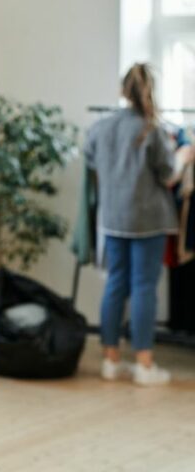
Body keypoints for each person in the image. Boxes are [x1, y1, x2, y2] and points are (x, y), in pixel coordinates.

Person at [84, 63, 189, 386]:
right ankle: (144, 364)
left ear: (122, 90)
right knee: (144, 286)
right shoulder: (152, 129)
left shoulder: (101, 127)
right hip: (148, 220)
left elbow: (90, 161)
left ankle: (110, 360)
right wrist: (185, 154)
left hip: (113, 218)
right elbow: (169, 174)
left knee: (116, 283)